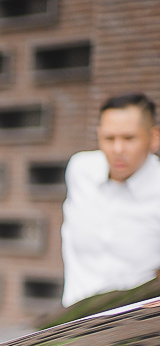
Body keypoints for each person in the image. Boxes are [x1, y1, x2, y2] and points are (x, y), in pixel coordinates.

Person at [61, 93, 160, 306]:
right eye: (109, 138)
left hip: (132, 329)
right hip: (72, 321)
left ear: (154, 138)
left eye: (129, 138)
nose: (117, 150)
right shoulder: (80, 170)